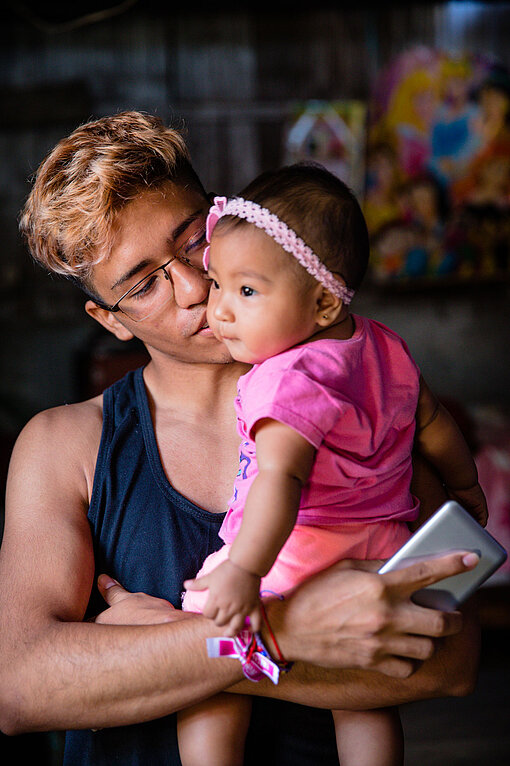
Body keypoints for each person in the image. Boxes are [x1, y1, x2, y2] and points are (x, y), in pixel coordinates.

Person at [0, 112, 481, 766]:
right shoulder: (62, 446)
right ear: (107, 321)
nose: (196, 289)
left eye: (195, 241)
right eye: (144, 283)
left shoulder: (342, 395)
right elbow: (23, 685)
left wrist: (174, 643)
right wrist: (290, 635)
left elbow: (448, 657)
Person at [178, 164, 487, 766]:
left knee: (210, 677)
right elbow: (434, 425)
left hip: (299, 554)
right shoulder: (385, 346)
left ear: (322, 302)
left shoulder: (288, 378)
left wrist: (245, 570)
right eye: (217, 284)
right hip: (379, 549)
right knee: (365, 703)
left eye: (247, 291)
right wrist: (466, 485)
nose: (219, 310)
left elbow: (281, 479)